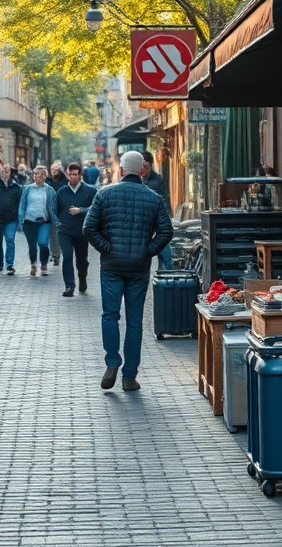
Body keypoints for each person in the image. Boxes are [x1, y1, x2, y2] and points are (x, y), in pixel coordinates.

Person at [83, 151, 173, 392]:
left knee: (109, 315)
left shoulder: (105, 194)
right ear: (142, 170)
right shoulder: (152, 197)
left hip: (112, 266)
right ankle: (129, 376)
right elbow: (166, 232)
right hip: (138, 268)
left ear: (120, 170)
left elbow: (89, 227)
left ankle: (112, 361)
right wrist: (147, 251)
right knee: (135, 322)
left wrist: (107, 248)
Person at [51, 162, 97, 297]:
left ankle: (82, 277)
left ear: (80, 175)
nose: (72, 177)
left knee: (82, 259)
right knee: (67, 256)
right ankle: (69, 285)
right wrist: (58, 223)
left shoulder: (90, 191)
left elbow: (95, 209)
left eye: (75, 174)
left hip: (82, 230)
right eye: (69, 174)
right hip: (65, 230)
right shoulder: (62, 191)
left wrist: (81, 210)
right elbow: (54, 209)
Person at [17, 165, 57, 277]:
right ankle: (33, 264)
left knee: (43, 243)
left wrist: (54, 218)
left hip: (44, 221)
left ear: (44, 176)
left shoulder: (50, 190)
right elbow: (22, 204)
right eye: (35, 175)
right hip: (29, 221)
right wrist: (21, 217)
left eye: (39, 175)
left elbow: (54, 206)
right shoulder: (28, 188)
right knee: (32, 245)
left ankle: (44, 265)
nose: (37, 177)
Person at [141, 150, 174, 270]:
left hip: (156, 219)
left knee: (163, 247)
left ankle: (168, 271)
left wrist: (165, 219)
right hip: (142, 221)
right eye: (141, 166)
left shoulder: (157, 179)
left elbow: (164, 200)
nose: (143, 169)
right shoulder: (137, 180)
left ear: (149, 165)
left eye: (145, 166)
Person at [46, 162, 68, 267]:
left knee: (62, 233)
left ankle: (62, 251)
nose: (53, 172)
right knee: (53, 234)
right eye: (52, 170)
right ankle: (55, 255)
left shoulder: (64, 181)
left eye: (55, 170)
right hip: (51, 210)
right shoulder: (48, 181)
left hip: (62, 210)